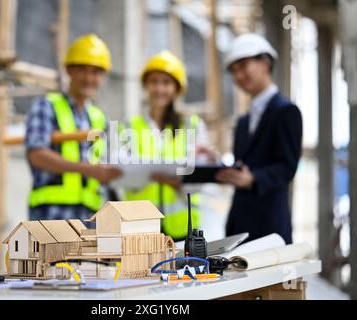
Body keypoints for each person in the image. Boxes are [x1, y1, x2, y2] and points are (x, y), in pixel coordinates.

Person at [215, 34, 303, 244]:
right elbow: (243, 165)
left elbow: (287, 167)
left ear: (265, 62)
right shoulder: (244, 121)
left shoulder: (286, 111)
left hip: (270, 226)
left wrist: (254, 179)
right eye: (234, 71)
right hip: (239, 225)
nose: (239, 75)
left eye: (243, 66)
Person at [25, 34, 122, 221]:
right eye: (82, 70)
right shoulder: (47, 106)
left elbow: (109, 163)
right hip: (51, 217)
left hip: (90, 218)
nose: (89, 78)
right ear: (69, 70)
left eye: (95, 72)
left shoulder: (100, 118)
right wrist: (86, 169)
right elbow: (36, 155)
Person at [123, 50, 214, 241]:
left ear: (176, 88)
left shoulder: (193, 126)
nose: (159, 89)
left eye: (166, 83)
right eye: (154, 81)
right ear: (146, 85)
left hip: (183, 228)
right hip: (141, 226)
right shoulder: (130, 127)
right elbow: (122, 177)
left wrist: (176, 181)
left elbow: (201, 178)